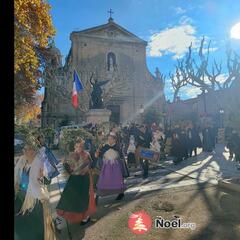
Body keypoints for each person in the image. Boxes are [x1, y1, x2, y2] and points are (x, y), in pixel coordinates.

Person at [15, 144, 56, 240]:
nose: (30, 151)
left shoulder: (40, 162)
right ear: (24, 151)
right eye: (27, 149)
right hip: (22, 196)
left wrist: (42, 177)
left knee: (38, 224)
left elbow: (47, 180)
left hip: (36, 198)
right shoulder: (21, 162)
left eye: (32, 149)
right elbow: (17, 177)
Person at [56, 138, 96, 225]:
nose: (79, 148)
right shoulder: (71, 155)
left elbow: (90, 165)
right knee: (68, 198)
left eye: (81, 146)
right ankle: (60, 218)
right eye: (77, 146)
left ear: (83, 146)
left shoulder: (86, 154)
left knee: (84, 199)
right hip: (74, 180)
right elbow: (70, 170)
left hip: (84, 180)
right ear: (75, 146)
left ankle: (86, 217)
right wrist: (64, 163)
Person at [96, 132, 129, 200]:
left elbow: (121, 157)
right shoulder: (104, 147)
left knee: (117, 179)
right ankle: (98, 195)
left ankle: (121, 193)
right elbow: (98, 155)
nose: (109, 140)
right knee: (104, 180)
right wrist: (98, 151)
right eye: (108, 139)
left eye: (111, 139)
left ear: (114, 140)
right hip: (106, 165)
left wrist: (123, 166)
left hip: (116, 165)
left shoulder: (118, 147)